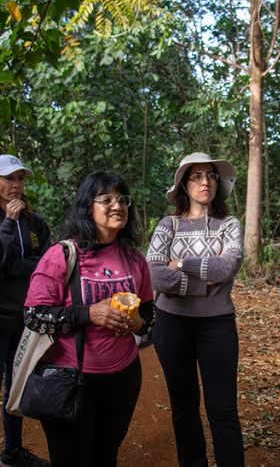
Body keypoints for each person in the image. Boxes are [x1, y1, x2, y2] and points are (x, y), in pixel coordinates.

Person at [24, 172, 155, 467]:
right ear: (88, 207)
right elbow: (34, 316)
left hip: (123, 377)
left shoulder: (135, 259)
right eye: (106, 199)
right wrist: (90, 313)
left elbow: (149, 313)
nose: (117, 205)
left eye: (123, 199)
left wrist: (138, 324)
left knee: (106, 455)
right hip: (70, 379)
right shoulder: (62, 255)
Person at [147, 152, 245, 467]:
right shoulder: (168, 224)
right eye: (196, 176)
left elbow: (227, 266)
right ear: (183, 185)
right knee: (184, 406)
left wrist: (182, 264)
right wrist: (205, 283)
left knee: (223, 409)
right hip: (171, 324)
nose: (205, 182)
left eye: (211, 176)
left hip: (217, 325)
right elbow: (155, 274)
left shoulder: (228, 224)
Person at [0, 154, 51, 467]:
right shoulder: (9, 221)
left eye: (20, 179)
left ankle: (12, 451)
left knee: (17, 385)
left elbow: (48, 265)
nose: (16, 186)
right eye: (9, 179)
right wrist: (7, 224)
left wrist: (14, 266)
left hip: (24, 317)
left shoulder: (35, 222)